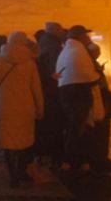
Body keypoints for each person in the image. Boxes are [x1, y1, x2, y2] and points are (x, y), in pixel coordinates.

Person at [0, 31, 44, 188]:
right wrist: (40, 107)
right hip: (25, 106)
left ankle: (13, 176)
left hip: (4, 106)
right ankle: (21, 171)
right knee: (24, 142)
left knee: (8, 142)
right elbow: (36, 88)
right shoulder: (30, 62)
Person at [55, 24, 99, 172]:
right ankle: (74, 159)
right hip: (79, 92)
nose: (88, 38)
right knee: (78, 127)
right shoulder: (79, 51)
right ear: (80, 37)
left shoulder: (67, 50)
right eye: (86, 36)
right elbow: (87, 74)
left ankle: (75, 159)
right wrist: (97, 76)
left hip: (67, 91)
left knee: (74, 126)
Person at [35, 21, 66, 168]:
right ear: (54, 30)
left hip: (45, 92)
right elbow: (55, 72)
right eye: (60, 29)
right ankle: (54, 156)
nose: (62, 32)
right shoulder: (54, 47)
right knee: (54, 125)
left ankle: (45, 154)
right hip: (52, 93)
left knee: (47, 125)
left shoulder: (43, 44)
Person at [88, 42, 111, 173]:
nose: (99, 53)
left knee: (101, 132)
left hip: (101, 104)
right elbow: (101, 87)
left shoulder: (90, 64)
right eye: (97, 51)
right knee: (101, 133)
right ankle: (101, 159)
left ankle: (100, 158)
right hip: (101, 104)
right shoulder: (91, 66)